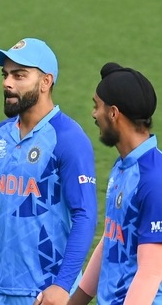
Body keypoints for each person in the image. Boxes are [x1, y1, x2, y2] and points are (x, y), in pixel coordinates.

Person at [0, 38, 98, 305]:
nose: (7, 83)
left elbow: (85, 215)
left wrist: (62, 286)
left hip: (44, 294)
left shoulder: (68, 139)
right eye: (5, 74)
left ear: (46, 82)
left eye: (19, 75)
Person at [68, 63, 162, 304]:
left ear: (113, 113)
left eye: (96, 106)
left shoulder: (154, 179)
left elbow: (151, 273)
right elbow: (111, 240)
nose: (93, 114)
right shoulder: (123, 168)